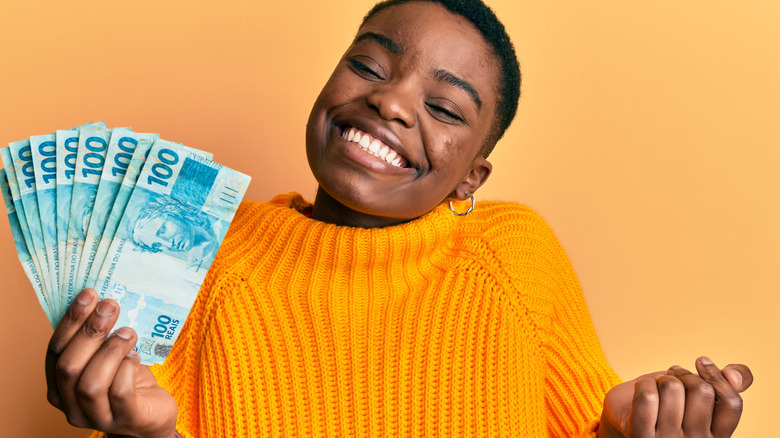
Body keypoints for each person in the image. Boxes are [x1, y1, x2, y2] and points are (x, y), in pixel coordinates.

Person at [44, 1, 753, 437]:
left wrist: (641, 430)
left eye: (445, 108)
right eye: (369, 66)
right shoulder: (202, 251)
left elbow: (594, 427)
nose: (391, 103)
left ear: (471, 175)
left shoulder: (510, 255)